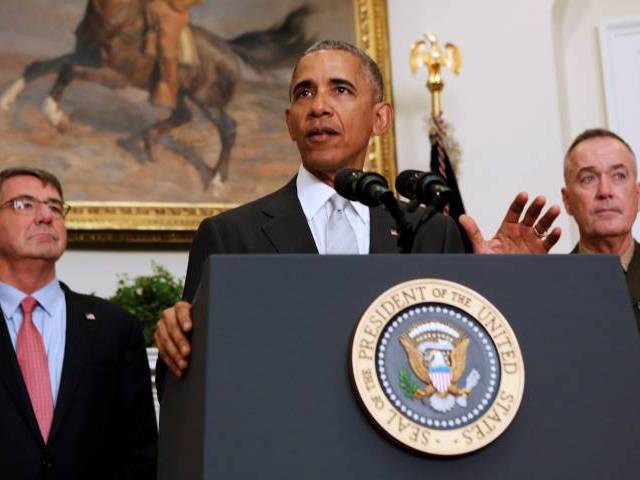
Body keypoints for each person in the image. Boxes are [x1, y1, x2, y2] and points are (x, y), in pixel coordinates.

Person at [154, 39, 561, 383]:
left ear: (379, 118)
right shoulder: (230, 235)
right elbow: (184, 388)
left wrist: (506, 290)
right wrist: (178, 340)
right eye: (304, 93)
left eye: (341, 90)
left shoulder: (433, 232)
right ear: (289, 123)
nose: (319, 107)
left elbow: (471, 366)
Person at [0, 167, 157, 479]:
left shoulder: (114, 327)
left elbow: (141, 451)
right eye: (25, 204)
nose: (45, 216)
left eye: (55, 206)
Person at [561, 128, 640, 328]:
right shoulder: (549, 287)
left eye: (619, 176)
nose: (605, 191)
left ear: (637, 195)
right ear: (568, 200)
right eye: (588, 178)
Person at [145, 0, 202, 108]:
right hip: (156, 9)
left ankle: (167, 94)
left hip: (172, 13)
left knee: (166, 49)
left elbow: (179, 5)